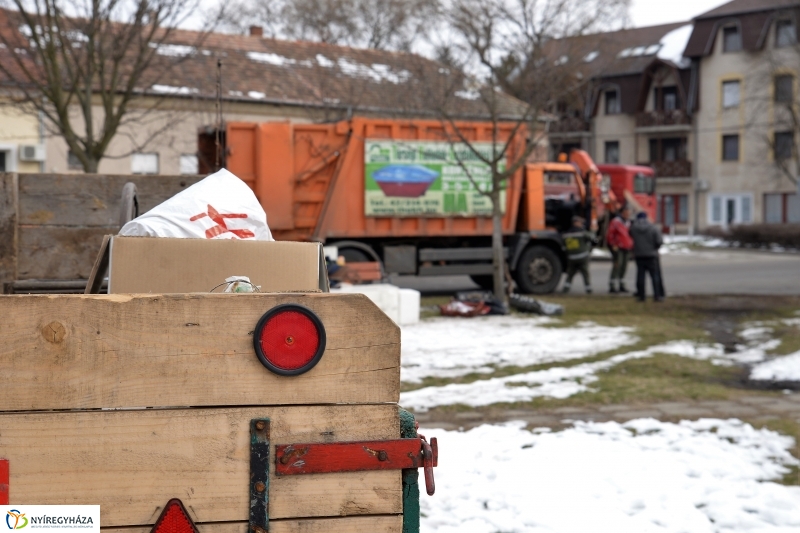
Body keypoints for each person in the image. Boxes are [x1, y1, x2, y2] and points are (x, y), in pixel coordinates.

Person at [629, 211, 664, 302]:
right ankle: (657, 295)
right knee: (654, 276)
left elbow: (630, 238)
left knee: (640, 276)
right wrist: (655, 248)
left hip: (639, 255)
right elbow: (659, 241)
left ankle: (641, 296)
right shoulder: (653, 228)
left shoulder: (633, 228)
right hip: (651, 255)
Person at [562, 215, 597, 294]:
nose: (582, 224)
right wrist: (593, 230)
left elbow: (564, 247)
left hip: (571, 258)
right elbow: (592, 238)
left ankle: (565, 289)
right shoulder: (581, 232)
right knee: (585, 273)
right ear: (576, 223)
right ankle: (589, 289)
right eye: (580, 222)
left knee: (570, 274)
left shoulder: (566, 234)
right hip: (582, 257)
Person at [605, 205, 634, 293]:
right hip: (618, 247)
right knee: (617, 265)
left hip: (627, 247)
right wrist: (613, 244)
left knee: (624, 266)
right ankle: (612, 286)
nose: (628, 214)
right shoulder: (616, 222)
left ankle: (622, 285)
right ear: (622, 213)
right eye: (626, 212)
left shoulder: (628, 222)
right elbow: (610, 234)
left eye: (629, 213)